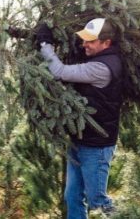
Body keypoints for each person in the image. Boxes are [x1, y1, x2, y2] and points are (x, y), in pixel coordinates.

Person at [36, 18, 123, 218]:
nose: (84, 44)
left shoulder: (102, 67)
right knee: (73, 196)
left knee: (98, 202)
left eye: (90, 41)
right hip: (79, 140)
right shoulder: (97, 58)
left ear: (106, 43)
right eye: (84, 40)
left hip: (96, 146)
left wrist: (45, 45)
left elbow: (60, 72)